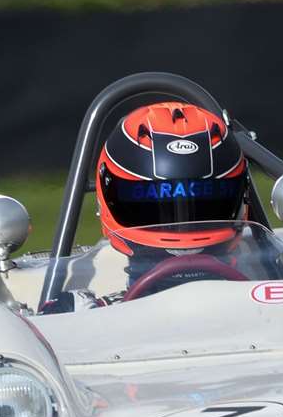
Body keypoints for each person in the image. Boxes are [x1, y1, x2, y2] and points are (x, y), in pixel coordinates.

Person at [88, 101, 259, 301]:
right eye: (150, 198)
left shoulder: (278, 285)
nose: (182, 230)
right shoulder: (84, 310)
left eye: (205, 203)